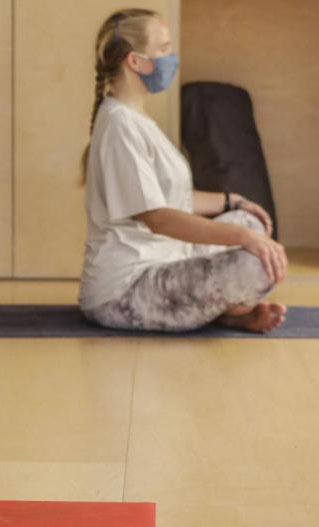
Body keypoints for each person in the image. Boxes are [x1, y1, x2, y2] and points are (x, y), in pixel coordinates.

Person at [78, 9, 287, 333]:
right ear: (136, 61)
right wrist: (242, 238)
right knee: (256, 259)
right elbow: (158, 217)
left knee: (252, 223)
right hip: (125, 290)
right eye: (163, 49)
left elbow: (169, 196)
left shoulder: (137, 118)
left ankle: (225, 312)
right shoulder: (119, 124)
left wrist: (233, 202)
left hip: (164, 261)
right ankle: (228, 312)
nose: (171, 57)